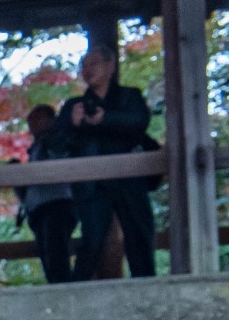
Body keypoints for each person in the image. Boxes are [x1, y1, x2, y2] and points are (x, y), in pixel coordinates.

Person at [57, 43, 156, 281]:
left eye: (94, 63)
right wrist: (72, 123)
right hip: (91, 183)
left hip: (129, 178)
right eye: (84, 66)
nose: (88, 70)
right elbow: (56, 145)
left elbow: (139, 122)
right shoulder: (74, 106)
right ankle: (75, 295)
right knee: (92, 241)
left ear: (110, 66)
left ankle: (148, 290)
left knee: (139, 236)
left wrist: (106, 119)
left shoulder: (129, 97)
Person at [13, 105, 77, 286]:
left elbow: (59, 155)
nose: (33, 125)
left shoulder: (58, 139)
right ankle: (59, 291)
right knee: (48, 256)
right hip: (39, 209)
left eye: (38, 119)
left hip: (58, 204)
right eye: (31, 121)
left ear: (52, 120)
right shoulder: (35, 149)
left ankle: (65, 293)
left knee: (56, 255)